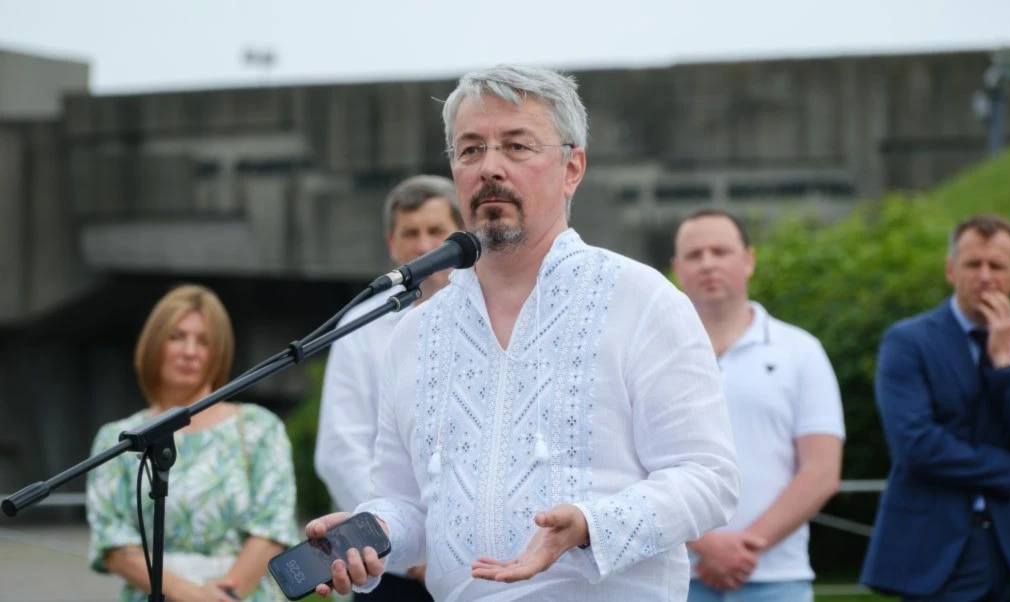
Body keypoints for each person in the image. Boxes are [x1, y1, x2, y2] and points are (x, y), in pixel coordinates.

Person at [304, 64, 740, 601]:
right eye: (470, 150)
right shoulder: (415, 332)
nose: (490, 168)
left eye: (516, 147)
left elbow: (708, 477)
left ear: (571, 168)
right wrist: (368, 535)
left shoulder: (642, 300)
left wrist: (589, 524)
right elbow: (408, 503)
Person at [671, 209, 845, 602]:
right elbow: (631, 463)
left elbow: (821, 469)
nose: (708, 263)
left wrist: (746, 546)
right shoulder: (651, 354)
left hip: (778, 577)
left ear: (748, 259)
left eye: (721, 251)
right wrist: (704, 544)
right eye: (695, 255)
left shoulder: (802, 352)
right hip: (675, 577)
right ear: (677, 267)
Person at [87, 284, 298, 602]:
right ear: (154, 344)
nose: (190, 351)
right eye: (177, 337)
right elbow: (113, 542)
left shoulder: (258, 428)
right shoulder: (118, 438)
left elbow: (273, 526)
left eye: (204, 341)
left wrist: (225, 594)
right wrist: (188, 595)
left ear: (219, 352)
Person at [314, 174, 464, 601]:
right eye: (410, 233)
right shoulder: (359, 328)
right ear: (391, 244)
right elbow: (342, 449)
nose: (423, 245)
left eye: (436, 231)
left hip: (483, 564)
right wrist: (402, 548)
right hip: (392, 570)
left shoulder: (491, 314)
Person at [861, 213, 1010, 601]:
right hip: (939, 553)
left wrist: (1006, 367)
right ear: (951, 270)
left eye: (996, 265)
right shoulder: (907, 341)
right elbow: (915, 444)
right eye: (972, 264)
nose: (984, 276)